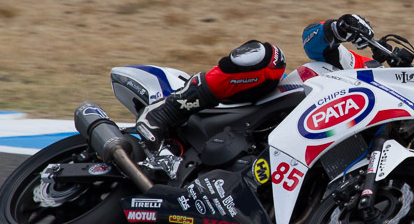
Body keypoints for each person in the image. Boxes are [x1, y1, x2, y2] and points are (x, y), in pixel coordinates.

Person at [135, 14, 373, 146]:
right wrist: (338, 29)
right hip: (269, 104)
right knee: (270, 57)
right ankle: (167, 110)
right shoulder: (375, 74)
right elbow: (313, 44)